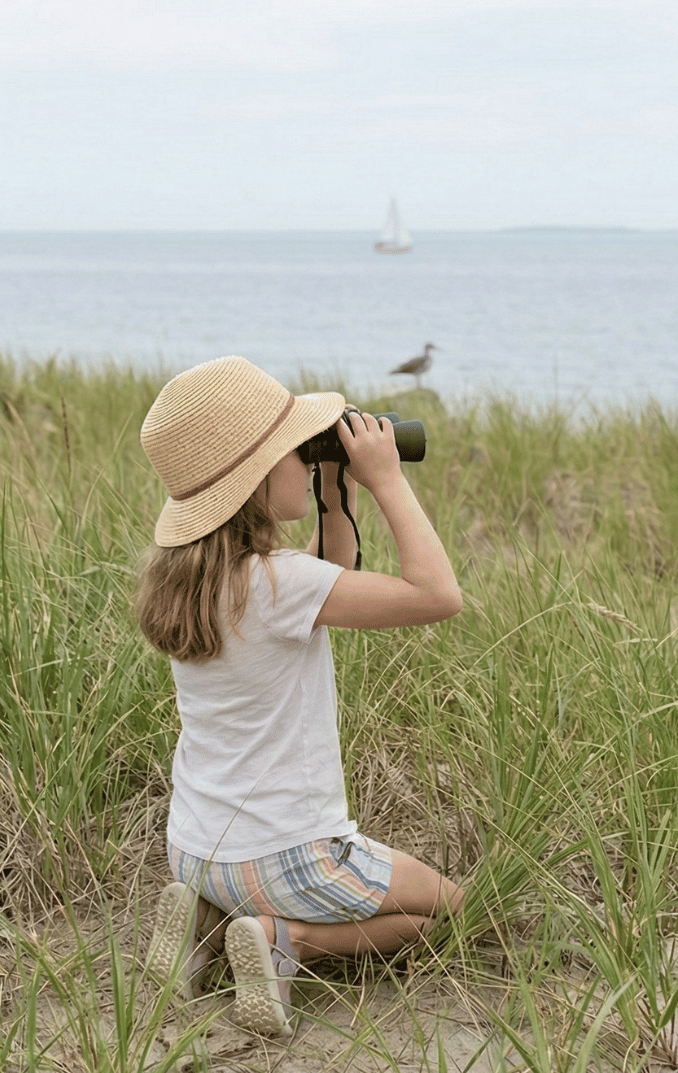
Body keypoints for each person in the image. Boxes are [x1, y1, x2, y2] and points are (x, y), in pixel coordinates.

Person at [133, 356, 465, 1038]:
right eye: (299, 451)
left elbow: (326, 574)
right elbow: (438, 596)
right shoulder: (277, 583)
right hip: (288, 859)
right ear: (256, 481)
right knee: (452, 910)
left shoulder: (196, 581)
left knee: (242, 884)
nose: (307, 460)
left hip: (198, 852)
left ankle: (207, 921)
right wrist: (387, 481)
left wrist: (334, 485)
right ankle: (286, 941)